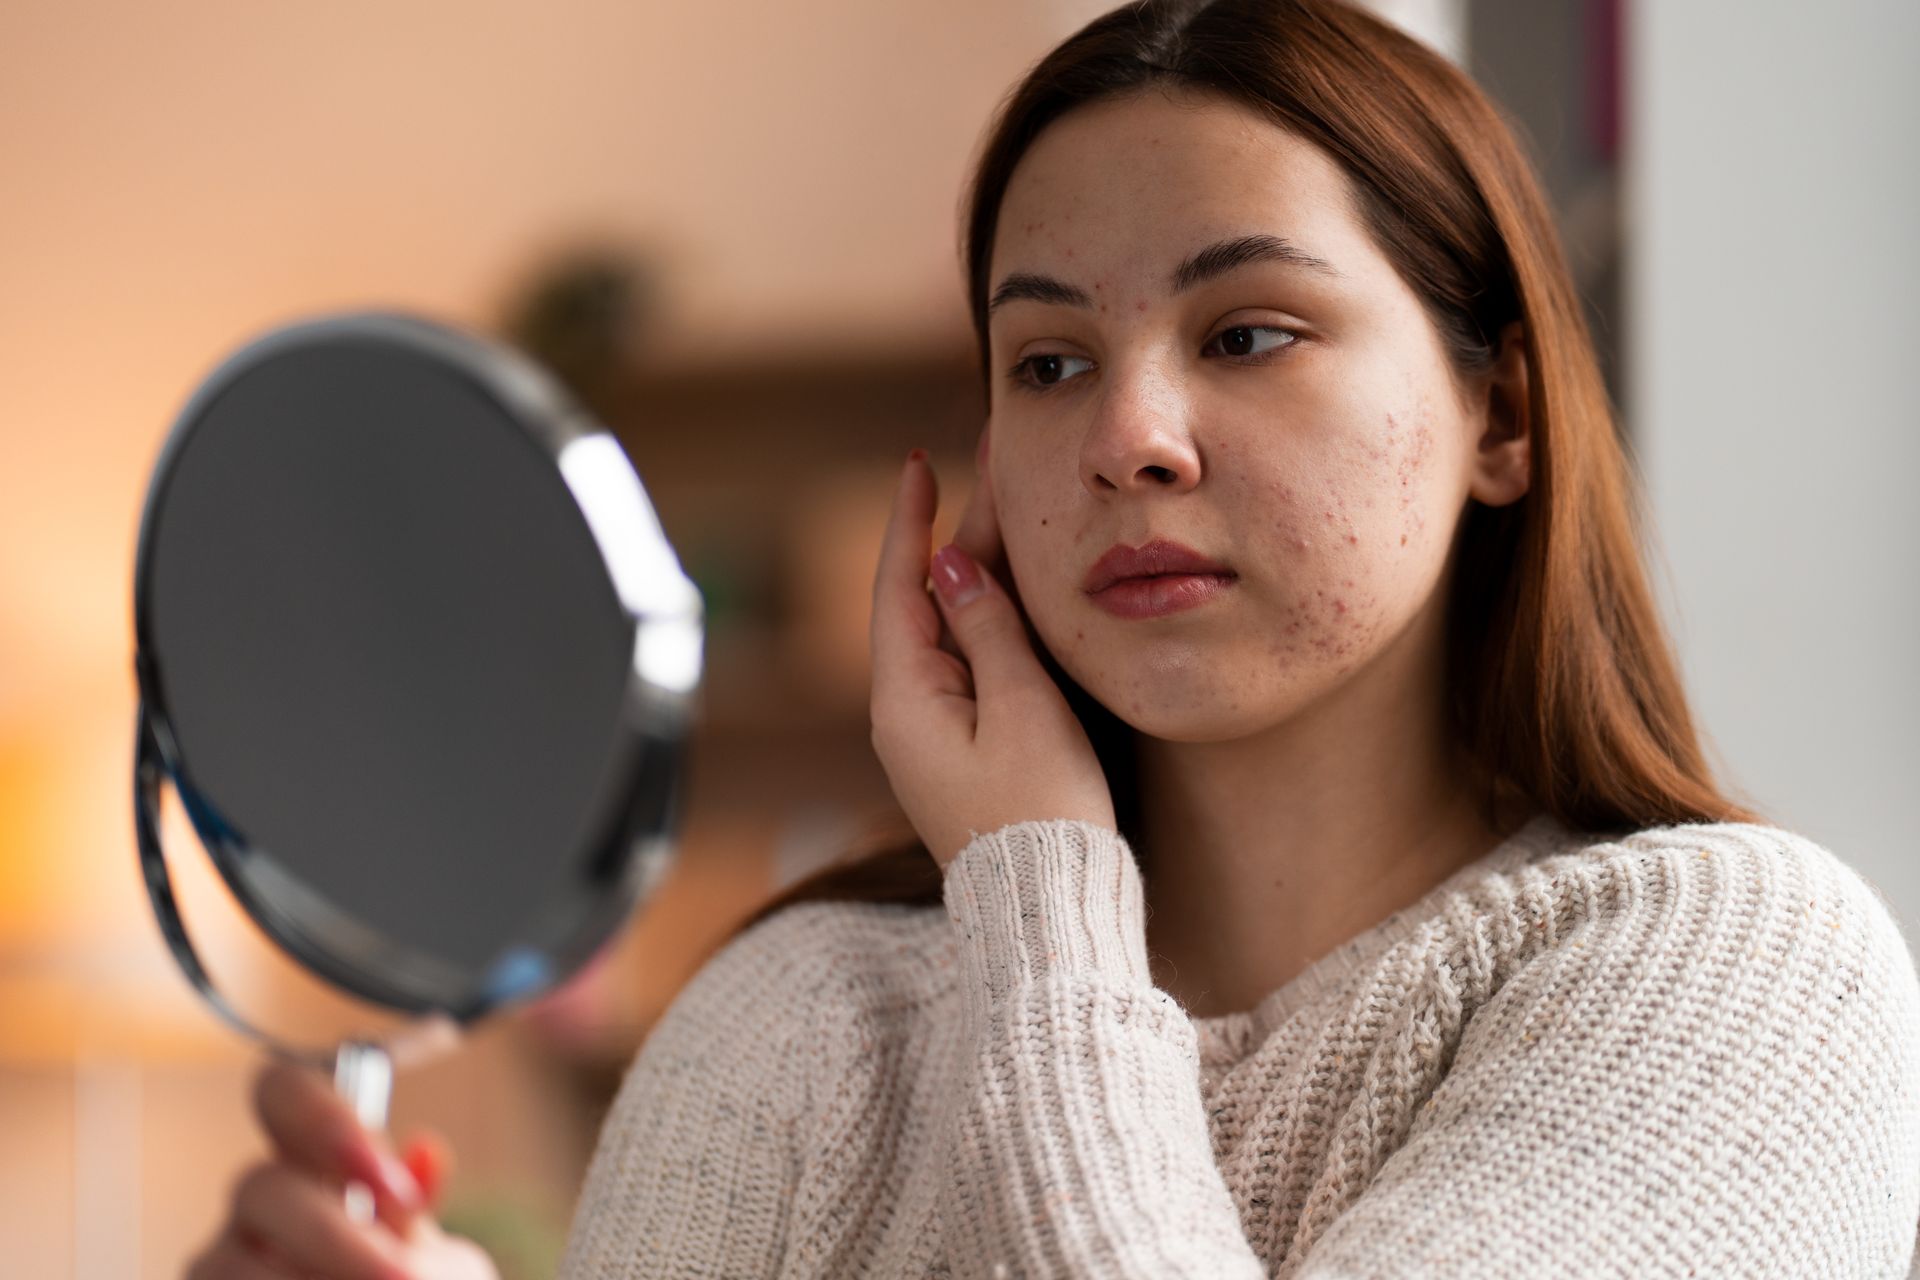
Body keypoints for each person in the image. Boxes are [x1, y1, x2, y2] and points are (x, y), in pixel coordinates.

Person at [187, 0, 1920, 1276]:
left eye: (1248, 332)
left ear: (1504, 412)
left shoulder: (1743, 982)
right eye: (1052, 361)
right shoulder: (795, 1024)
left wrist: (1036, 887)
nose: (1129, 438)